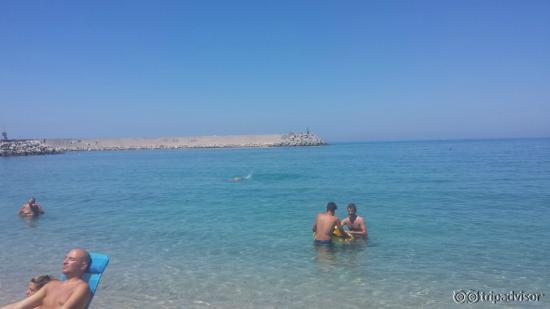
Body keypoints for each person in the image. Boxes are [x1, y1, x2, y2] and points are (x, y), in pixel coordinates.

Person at [2, 248, 92, 309]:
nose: (65, 262)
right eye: (65, 258)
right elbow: (18, 306)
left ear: (83, 265)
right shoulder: (51, 285)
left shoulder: (82, 288)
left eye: (71, 259)